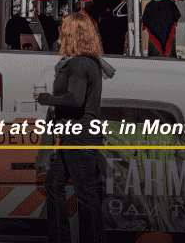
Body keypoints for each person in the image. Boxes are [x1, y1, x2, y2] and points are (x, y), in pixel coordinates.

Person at [35, 12, 112, 243]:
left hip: (79, 136)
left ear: (72, 34)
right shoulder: (87, 62)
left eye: (62, 29)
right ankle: (60, 237)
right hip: (74, 136)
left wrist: (46, 98)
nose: (59, 34)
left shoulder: (79, 64)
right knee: (54, 183)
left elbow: (75, 100)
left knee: (86, 194)